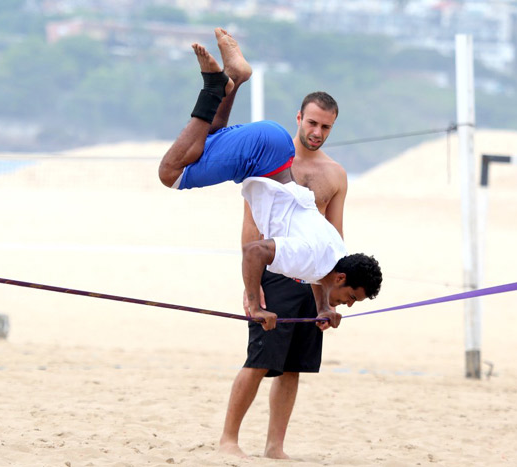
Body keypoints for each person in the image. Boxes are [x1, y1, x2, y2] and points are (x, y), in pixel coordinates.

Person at [158, 30, 382, 457]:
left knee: (204, 143)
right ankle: (223, 83)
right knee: (171, 173)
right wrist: (253, 296)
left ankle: (229, 81)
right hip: (274, 236)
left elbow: (327, 259)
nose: (318, 132)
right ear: (300, 118)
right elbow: (256, 245)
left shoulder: (334, 193)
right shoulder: (318, 255)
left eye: (325, 127)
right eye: (313, 122)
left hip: (272, 176)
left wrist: (324, 306)